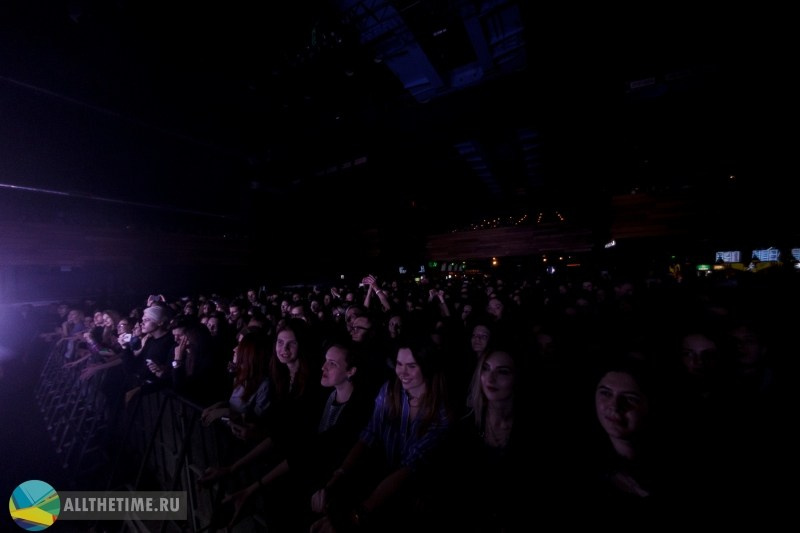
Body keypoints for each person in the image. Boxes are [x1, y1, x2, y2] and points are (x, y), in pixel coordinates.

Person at [220, 342, 373, 531]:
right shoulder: (322, 397)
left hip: (331, 492)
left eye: (332, 363)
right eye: (325, 361)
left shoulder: (359, 409)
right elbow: (290, 438)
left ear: (351, 371)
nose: (324, 367)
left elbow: (314, 448)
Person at [309, 337, 452, 533]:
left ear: (427, 367)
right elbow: (370, 434)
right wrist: (337, 477)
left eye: (411, 366)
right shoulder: (390, 390)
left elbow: (410, 467)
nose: (402, 372)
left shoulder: (441, 412)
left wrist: (355, 516)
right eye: (399, 364)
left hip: (418, 494)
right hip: (381, 478)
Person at [428, 348, 532, 531]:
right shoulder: (465, 428)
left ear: (517, 377)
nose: (490, 379)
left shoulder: (534, 433)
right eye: (486, 368)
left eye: (502, 372)